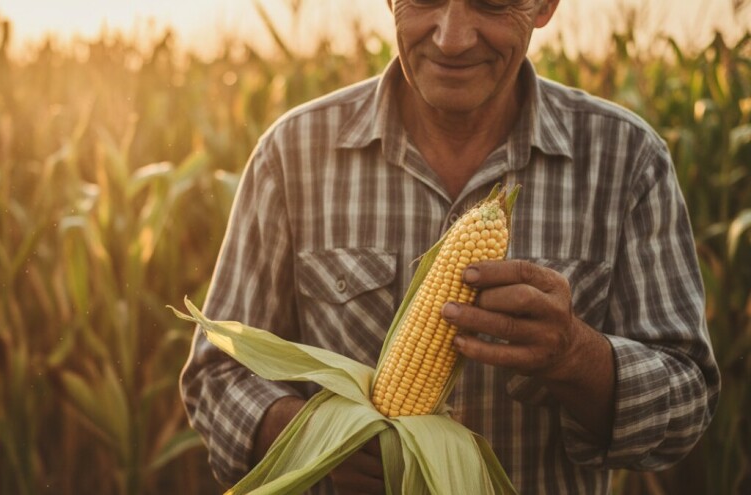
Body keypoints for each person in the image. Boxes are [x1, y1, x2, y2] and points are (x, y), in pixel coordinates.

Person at [180, 0, 721, 493]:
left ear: (544, 7)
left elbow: (688, 404)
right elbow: (215, 376)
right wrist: (314, 437)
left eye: (491, 3)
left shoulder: (628, 160)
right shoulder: (291, 153)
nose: (453, 37)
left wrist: (576, 356)